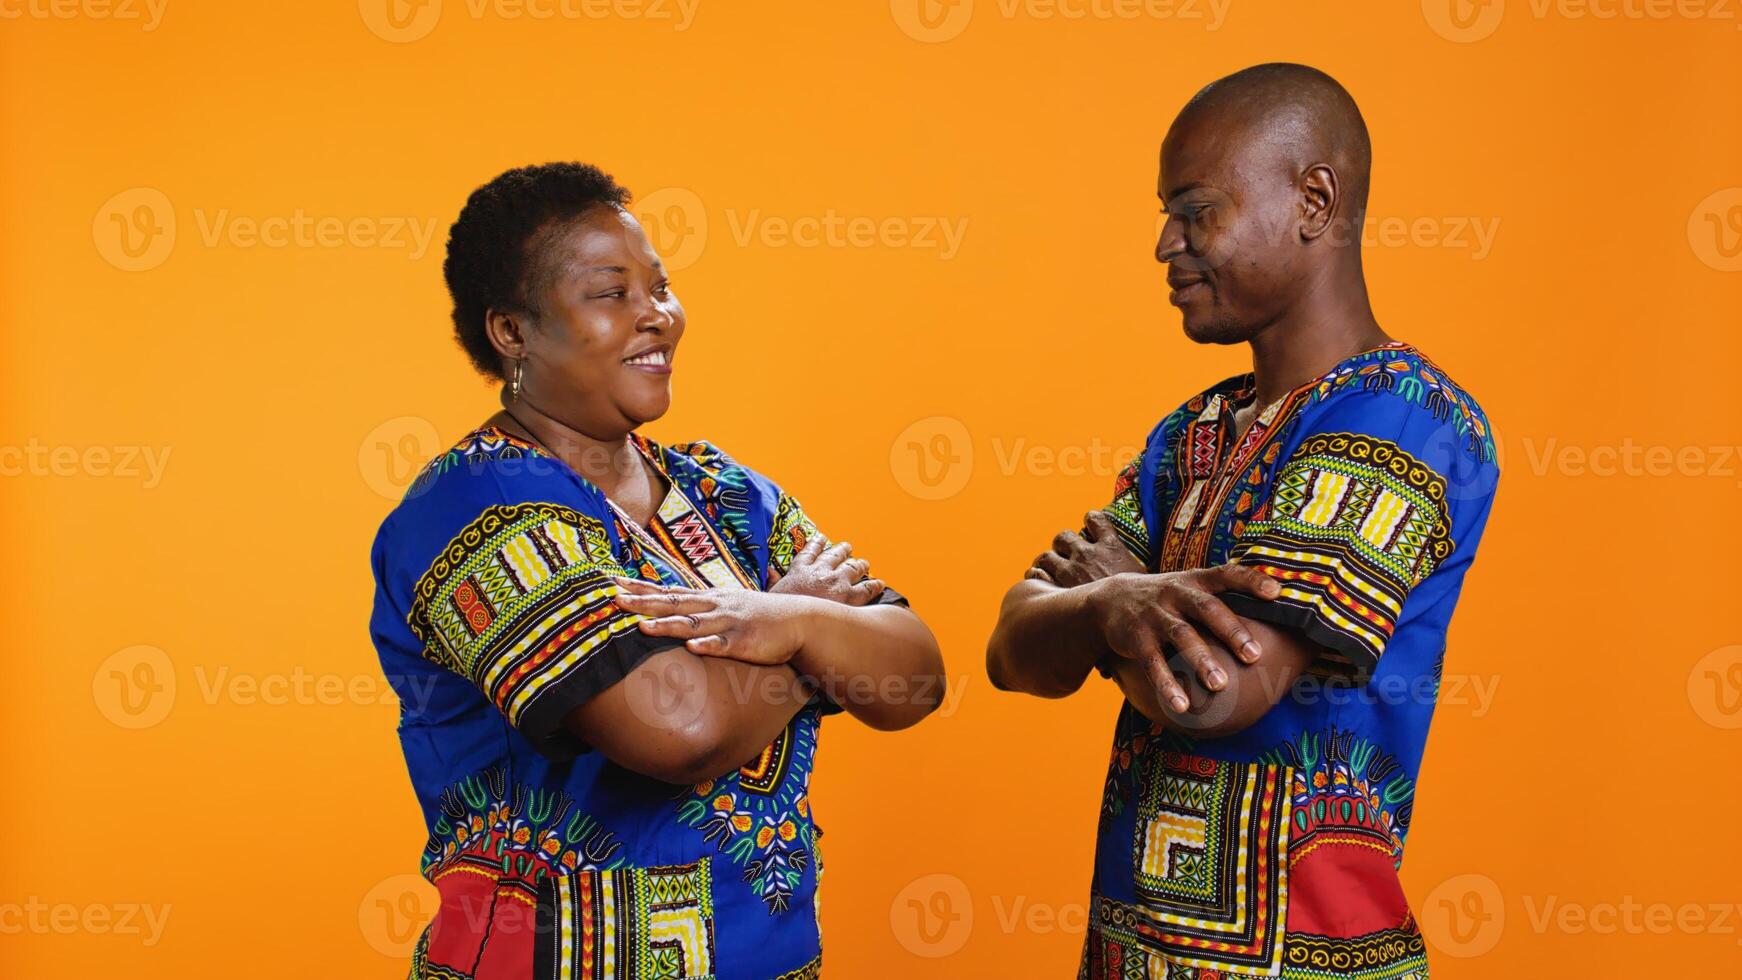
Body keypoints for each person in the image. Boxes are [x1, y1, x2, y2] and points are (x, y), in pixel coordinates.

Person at [369, 162, 945, 980]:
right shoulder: (477, 506)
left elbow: (913, 677)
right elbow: (679, 731)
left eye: (661, 287)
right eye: (612, 293)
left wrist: (797, 623)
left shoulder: (723, 490)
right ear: (512, 331)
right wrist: (814, 640)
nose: (658, 317)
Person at [986, 64, 1499, 979]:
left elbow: (1220, 693)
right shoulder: (1190, 434)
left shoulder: (1407, 418)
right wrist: (1115, 608)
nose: (1164, 244)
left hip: (1309, 961)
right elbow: (1013, 653)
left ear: (1314, 200)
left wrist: (1104, 601)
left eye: (1195, 209)